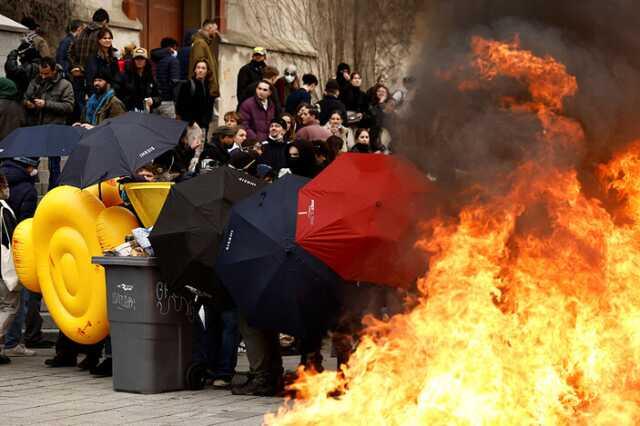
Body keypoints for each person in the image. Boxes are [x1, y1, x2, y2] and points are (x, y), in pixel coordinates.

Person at [1, 157, 41, 357]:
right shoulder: (27, 190)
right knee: (13, 300)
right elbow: (26, 224)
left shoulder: (6, 179)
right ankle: (11, 342)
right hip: (13, 251)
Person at [23, 57, 75, 189]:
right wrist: (28, 103)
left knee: (54, 164)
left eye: (46, 73)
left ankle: (53, 191)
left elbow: (68, 107)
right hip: (37, 125)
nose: (43, 76)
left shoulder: (65, 85)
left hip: (55, 127)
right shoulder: (36, 81)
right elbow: (26, 96)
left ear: (54, 70)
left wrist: (46, 104)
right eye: (41, 72)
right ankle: (27, 189)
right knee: (29, 162)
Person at [0, 173, 18, 365]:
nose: (7, 188)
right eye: (5, 184)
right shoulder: (3, 210)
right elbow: (11, 238)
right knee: (9, 306)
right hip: (2, 268)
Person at [175, 60, 215, 138]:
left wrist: (206, 123)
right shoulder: (188, 85)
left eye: (203, 68)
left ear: (207, 71)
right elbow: (180, 107)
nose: (200, 70)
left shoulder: (208, 87)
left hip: (204, 126)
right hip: (191, 126)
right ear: (195, 70)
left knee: (201, 148)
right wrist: (192, 122)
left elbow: (209, 107)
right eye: (198, 67)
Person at [118, 47, 160, 112]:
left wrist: (153, 100)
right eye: (137, 58)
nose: (139, 61)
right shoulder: (124, 76)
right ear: (133, 61)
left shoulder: (151, 77)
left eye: (142, 58)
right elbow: (118, 95)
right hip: (129, 112)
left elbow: (159, 97)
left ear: (146, 61)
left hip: (146, 113)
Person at [69, 8, 110, 75]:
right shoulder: (102, 34)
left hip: (79, 74)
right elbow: (106, 55)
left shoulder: (81, 32)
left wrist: (76, 65)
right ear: (105, 21)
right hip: (95, 76)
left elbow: (70, 52)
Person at [188, 19, 220, 98]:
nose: (217, 32)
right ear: (209, 28)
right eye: (215, 29)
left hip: (207, 90)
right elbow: (199, 68)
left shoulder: (206, 44)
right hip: (203, 92)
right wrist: (204, 89)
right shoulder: (200, 43)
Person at [84, 28, 120, 95]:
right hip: (97, 94)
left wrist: (114, 89)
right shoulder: (93, 58)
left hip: (112, 94)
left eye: (109, 38)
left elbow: (117, 77)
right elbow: (90, 79)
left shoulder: (113, 58)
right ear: (99, 40)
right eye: (104, 38)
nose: (107, 40)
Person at [151, 38, 180, 118]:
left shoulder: (154, 58)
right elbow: (175, 83)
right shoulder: (173, 60)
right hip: (168, 101)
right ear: (173, 48)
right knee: (168, 129)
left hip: (154, 101)